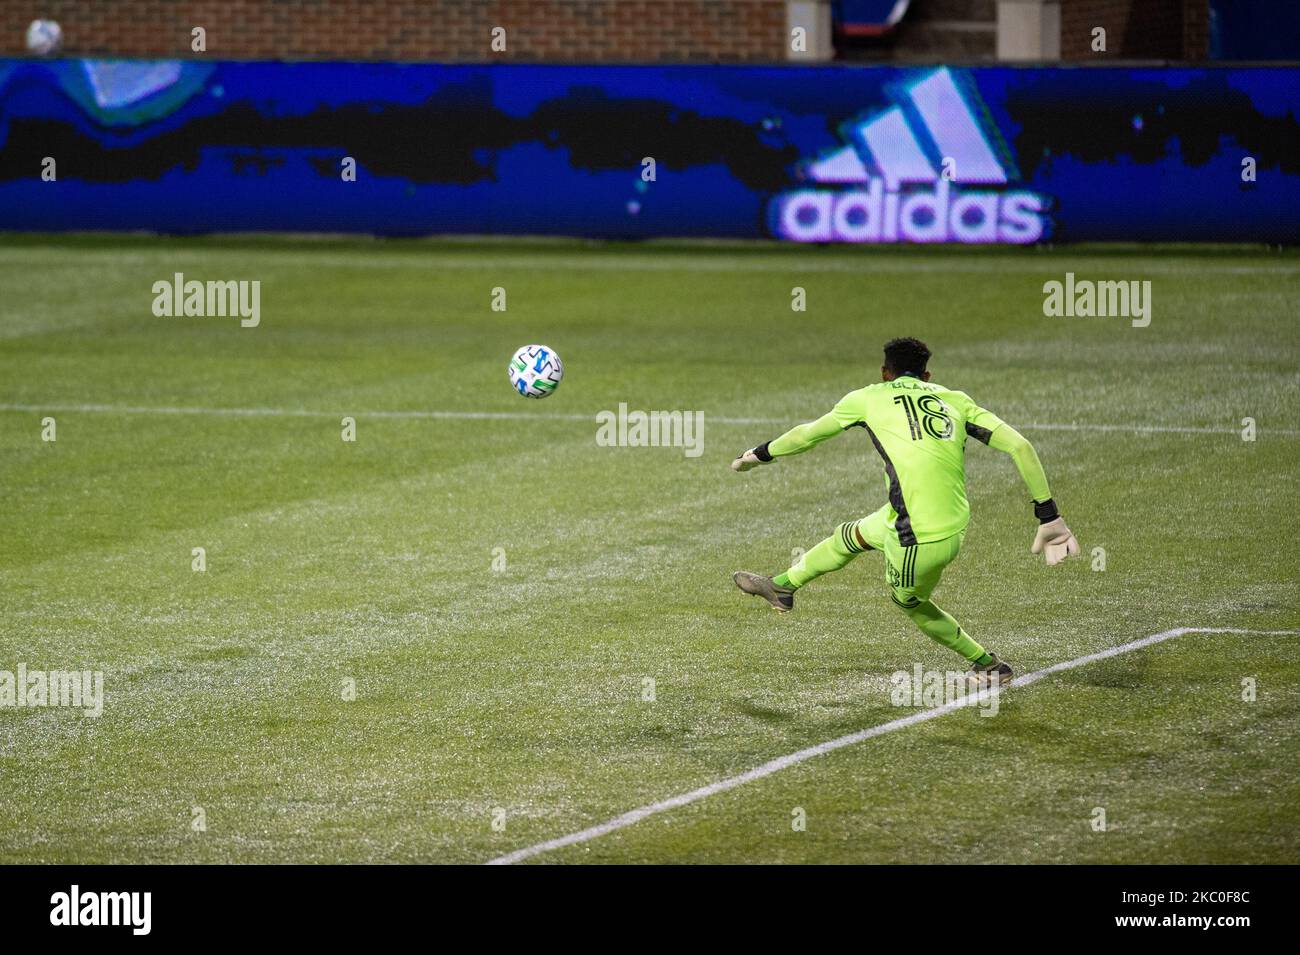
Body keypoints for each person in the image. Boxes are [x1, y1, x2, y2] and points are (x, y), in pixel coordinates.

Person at [730, 337, 1079, 685]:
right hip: (946, 518)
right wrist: (1049, 516)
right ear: (926, 376)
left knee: (909, 601)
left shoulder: (867, 398)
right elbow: (1020, 445)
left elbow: (808, 435)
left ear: (885, 373)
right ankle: (782, 587)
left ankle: (990, 667)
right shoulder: (955, 400)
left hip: (918, 534)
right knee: (850, 536)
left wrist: (760, 453)